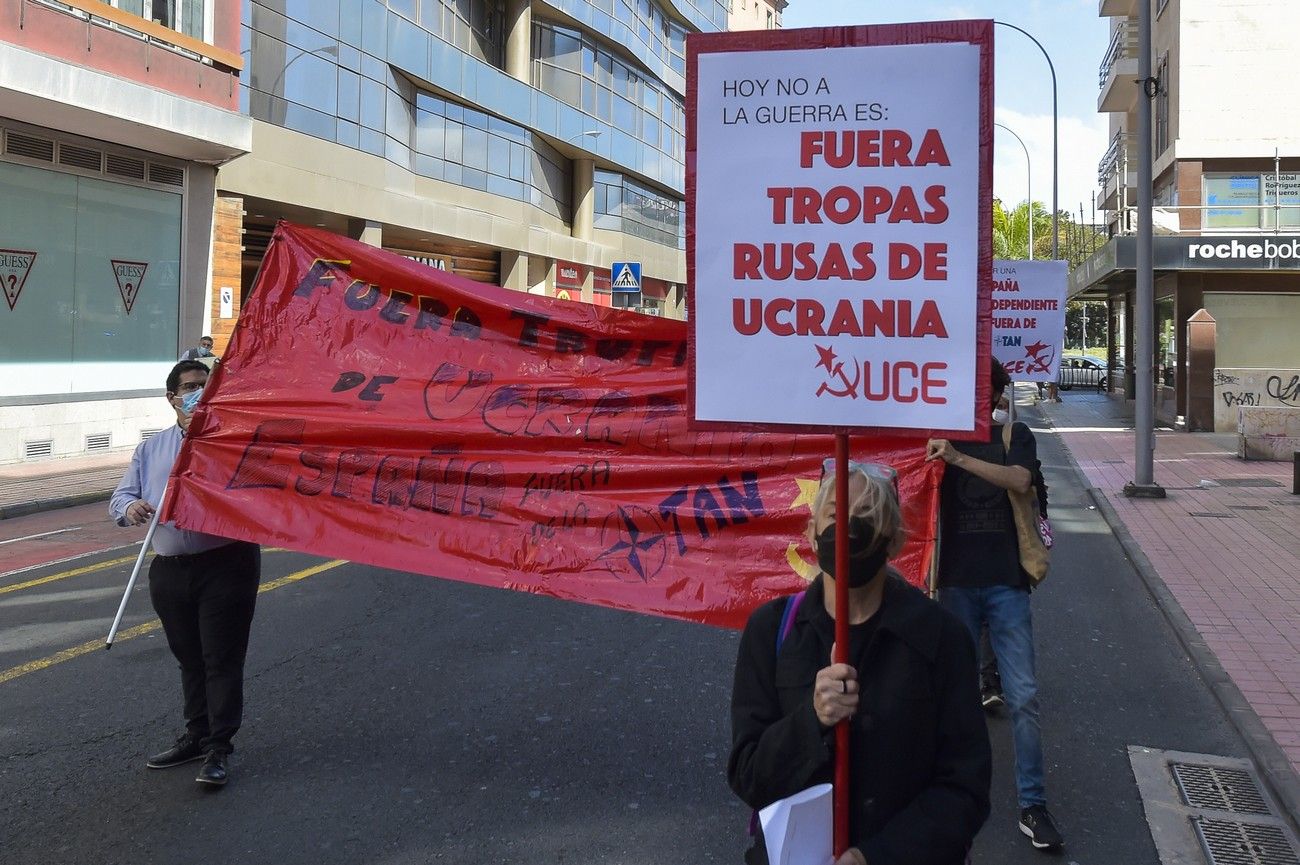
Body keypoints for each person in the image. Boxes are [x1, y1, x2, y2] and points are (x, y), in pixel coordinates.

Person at [729, 461, 991, 865]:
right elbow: (750, 777)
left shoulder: (942, 637)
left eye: (868, 515)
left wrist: (875, 857)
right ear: (812, 534)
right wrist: (812, 720)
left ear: (893, 541)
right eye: (835, 514)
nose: (849, 526)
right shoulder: (771, 630)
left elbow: (965, 789)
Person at [925, 358, 1064, 851]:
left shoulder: (1014, 437)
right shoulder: (938, 436)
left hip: (1006, 584)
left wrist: (957, 459)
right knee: (953, 695)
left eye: (983, 391)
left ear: (996, 395)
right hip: (956, 585)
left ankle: (1033, 804)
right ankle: (950, 792)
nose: (976, 399)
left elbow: (1021, 481)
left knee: (1023, 695)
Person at [109, 359, 260, 788]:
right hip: (170, 571)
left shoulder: (233, 441)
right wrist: (129, 508)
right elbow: (121, 497)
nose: (198, 393)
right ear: (171, 397)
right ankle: (196, 734)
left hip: (226, 563)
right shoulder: (151, 449)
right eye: (191, 386)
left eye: (205, 385)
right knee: (189, 658)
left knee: (220, 657)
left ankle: (219, 748)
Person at [979, 393, 1050, 710]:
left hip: (1010, 555)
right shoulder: (960, 441)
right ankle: (990, 681)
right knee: (987, 624)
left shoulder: (1015, 436)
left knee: (996, 624)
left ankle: (993, 681)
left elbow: (1027, 481)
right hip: (972, 560)